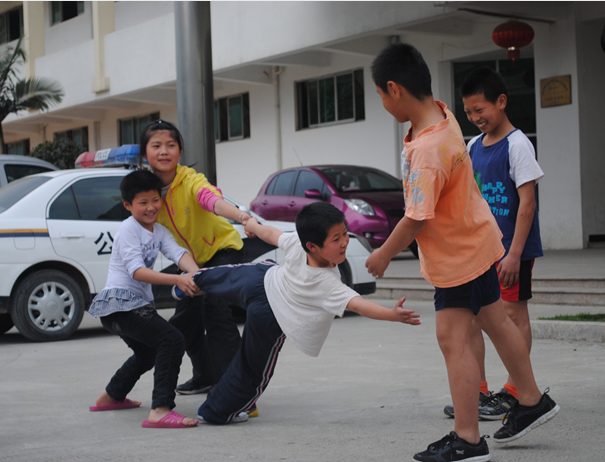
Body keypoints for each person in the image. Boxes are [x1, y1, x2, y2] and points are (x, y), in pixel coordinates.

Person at [366, 42, 559, 462]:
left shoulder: (427, 151)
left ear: (395, 89)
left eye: (380, 94)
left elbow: (415, 219)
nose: (381, 102)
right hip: (478, 242)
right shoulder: (444, 116)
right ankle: (531, 399)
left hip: (456, 257)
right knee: (495, 319)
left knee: (453, 339)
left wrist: (382, 254)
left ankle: (468, 438)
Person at [181, 202, 420, 424]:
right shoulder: (327, 281)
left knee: (229, 275)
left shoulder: (305, 251)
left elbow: (271, 234)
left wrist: (253, 225)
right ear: (312, 246)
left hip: (263, 287)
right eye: (336, 238)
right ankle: (217, 412)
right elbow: (359, 305)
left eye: (345, 233)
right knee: (251, 368)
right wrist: (391, 314)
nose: (345, 242)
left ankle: (189, 282)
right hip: (270, 308)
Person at [442, 67, 545, 421]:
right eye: (468, 112)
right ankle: (479, 391)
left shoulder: (518, 145)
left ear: (501, 102)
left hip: (513, 251)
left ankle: (516, 392)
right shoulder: (473, 146)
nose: (474, 118)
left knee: (513, 317)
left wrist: (514, 254)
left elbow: (528, 203)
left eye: (479, 109)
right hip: (481, 251)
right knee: (474, 320)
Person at [140, 119, 249, 397]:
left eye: (171, 145)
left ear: (179, 151)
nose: (164, 151)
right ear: (145, 153)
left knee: (215, 309)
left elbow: (211, 199)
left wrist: (242, 216)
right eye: (156, 146)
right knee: (184, 322)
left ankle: (237, 391)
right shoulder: (148, 191)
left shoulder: (189, 179)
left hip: (222, 251)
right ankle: (206, 376)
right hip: (190, 264)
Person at [88, 169, 199, 428]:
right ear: (127, 205)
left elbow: (178, 252)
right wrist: (178, 279)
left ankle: (111, 395)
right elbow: (137, 271)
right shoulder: (128, 229)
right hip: (120, 305)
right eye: (143, 202)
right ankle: (160, 409)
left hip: (131, 308)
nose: (151, 207)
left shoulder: (159, 231)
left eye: (155, 200)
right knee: (172, 339)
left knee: (148, 352)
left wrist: (196, 274)